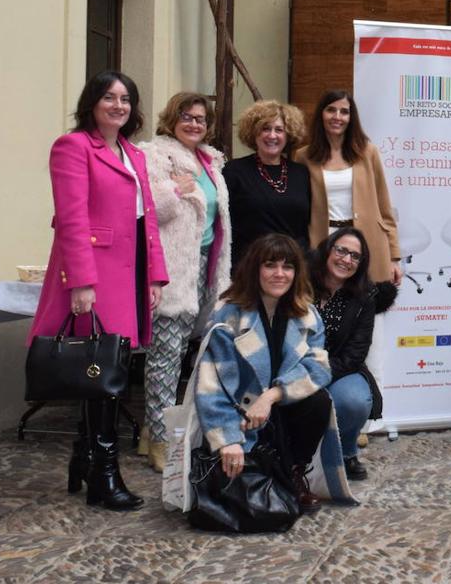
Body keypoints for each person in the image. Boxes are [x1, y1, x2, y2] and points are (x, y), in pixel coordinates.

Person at [27, 70, 168, 510]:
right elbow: (71, 219)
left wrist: (156, 276)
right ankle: (104, 473)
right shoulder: (72, 148)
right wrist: (81, 282)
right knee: (99, 369)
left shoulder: (134, 154)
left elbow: (147, 223)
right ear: (92, 102)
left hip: (129, 276)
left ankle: (85, 456)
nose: (118, 106)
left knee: (112, 365)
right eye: (109, 97)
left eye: (126, 99)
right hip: (93, 274)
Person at [196, 234, 350, 514]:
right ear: (255, 269)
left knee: (319, 402)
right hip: (239, 414)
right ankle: (257, 464)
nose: (279, 274)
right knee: (242, 500)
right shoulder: (228, 313)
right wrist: (227, 439)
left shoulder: (306, 313)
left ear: (296, 272)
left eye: (287, 266)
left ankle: (294, 473)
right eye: (270, 265)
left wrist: (270, 396)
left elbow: (319, 367)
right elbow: (211, 384)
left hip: (279, 408)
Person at [138, 92, 232, 473]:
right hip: (174, 270)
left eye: (201, 119)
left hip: (207, 267)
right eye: (187, 117)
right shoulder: (155, 154)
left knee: (186, 352)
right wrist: (175, 188)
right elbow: (149, 209)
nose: (194, 124)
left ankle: (151, 430)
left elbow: (216, 216)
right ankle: (160, 439)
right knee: (166, 355)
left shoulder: (209, 160)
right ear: (171, 119)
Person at [309, 227, 397, 482]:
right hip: (298, 366)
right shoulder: (301, 284)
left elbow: (356, 352)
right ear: (328, 250)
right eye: (341, 251)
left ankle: (347, 451)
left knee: (353, 401)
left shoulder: (365, 296)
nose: (346, 260)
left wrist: (319, 375)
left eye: (355, 256)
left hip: (342, 368)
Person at [297, 90, 402, 285]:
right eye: (331, 110)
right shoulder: (304, 156)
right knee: (326, 305)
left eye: (344, 111)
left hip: (367, 242)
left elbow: (384, 208)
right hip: (324, 242)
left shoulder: (368, 152)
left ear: (351, 117)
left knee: (367, 308)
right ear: (321, 114)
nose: (337, 117)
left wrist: (394, 256)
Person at [225, 100, 311, 267]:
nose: (272, 135)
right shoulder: (234, 171)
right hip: (249, 268)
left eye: (279, 130)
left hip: (293, 268)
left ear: (289, 135)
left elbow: (307, 227)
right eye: (265, 128)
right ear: (253, 133)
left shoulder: (302, 173)